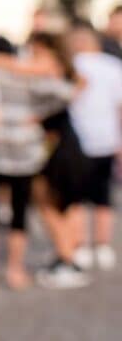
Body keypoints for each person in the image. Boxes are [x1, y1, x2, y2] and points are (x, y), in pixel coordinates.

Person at [0, 35, 73, 290]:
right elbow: (66, 92)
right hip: (23, 153)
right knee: (19, 213)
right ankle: (14, 269)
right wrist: (38, 115)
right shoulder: (25, 75)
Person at [65, 20, 122, 272]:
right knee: (102, 197)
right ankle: (102, 245)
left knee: (76, 198)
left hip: (75, 142)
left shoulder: (70, 66)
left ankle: (81, 245)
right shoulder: (113, 67)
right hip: (106, 140)